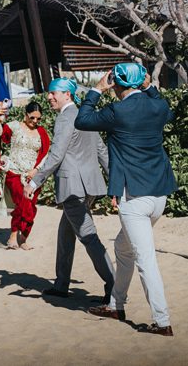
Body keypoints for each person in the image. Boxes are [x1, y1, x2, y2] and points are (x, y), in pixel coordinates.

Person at [78, 64, 176, 336]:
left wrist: (97, 90)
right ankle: (115, 304)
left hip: (134, 197)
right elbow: (167, 111)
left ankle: (162, 321)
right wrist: (150, 88)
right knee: (123, 248)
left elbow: (82, 120)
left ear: (116, 84)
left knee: (145, 259)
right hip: (160, 194)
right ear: (140, 81)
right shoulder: (156, 107)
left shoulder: (116, 111)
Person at [23, 78, 114, 301]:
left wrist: (35, 182)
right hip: (89, 186)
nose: (49, 97)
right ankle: (62, 284)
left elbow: (57, 154)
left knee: (88, 236)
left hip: (73, 187)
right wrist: (115, 180)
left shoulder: (65, 118)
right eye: (49, 93)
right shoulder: (86, 113)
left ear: (68, 95)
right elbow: (102, 150)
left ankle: (114, 286)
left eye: (54, 93)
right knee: (65, 233)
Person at [0, 101, 50, 249]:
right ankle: (14, 234)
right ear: (25, 114)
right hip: (14, 172)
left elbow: (46, 153)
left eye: (38, 119)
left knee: (30, 207)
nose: (35, 121)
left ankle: (23, 237)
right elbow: (1, 134)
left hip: (33, 176)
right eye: (32, 117)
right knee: (22, 204)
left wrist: (36, 170)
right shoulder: (14, 125)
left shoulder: (42, 132)